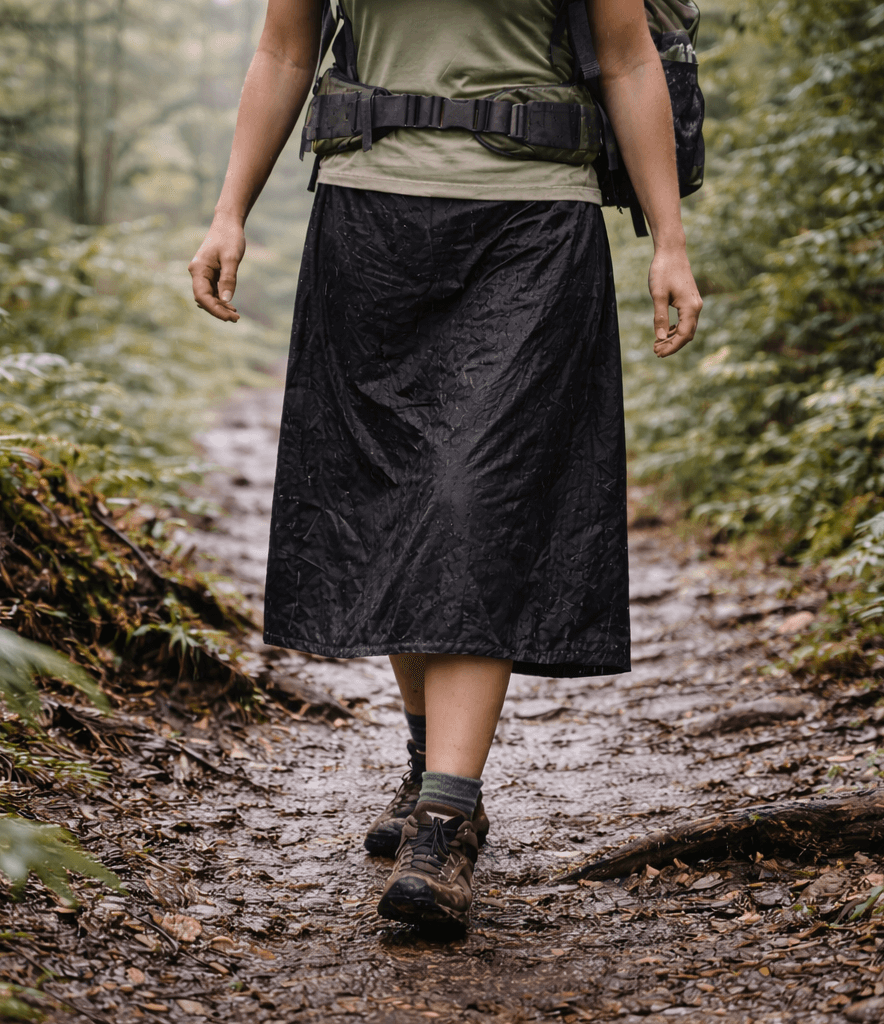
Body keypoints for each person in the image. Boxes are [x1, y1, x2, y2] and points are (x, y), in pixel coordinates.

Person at [189, 0, 702, 934]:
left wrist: (668, 240)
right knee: (398, 503)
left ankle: (446, 819)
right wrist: (229, 211)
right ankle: (430, 757)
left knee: (478, 503)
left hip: (535, 229)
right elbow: (283, 47)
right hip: (367, 223)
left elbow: (629, 61)